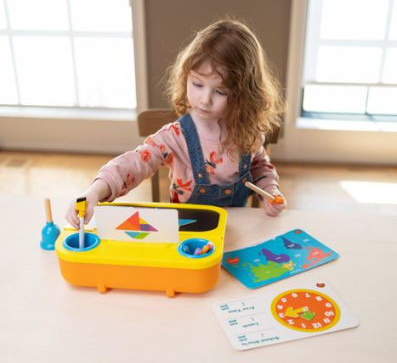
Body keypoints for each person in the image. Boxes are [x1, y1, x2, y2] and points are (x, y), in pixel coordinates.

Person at [66, 19, 286, 228]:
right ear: (185, 77)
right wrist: (94, 192)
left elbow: (258, 166)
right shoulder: (175, 137)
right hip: (186, 235)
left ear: (243, 95)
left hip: (237, 231)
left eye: (220, 91)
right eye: (197, 84)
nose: (205, 99)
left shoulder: (249, 131)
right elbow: (133, 164)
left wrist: (270, 190)